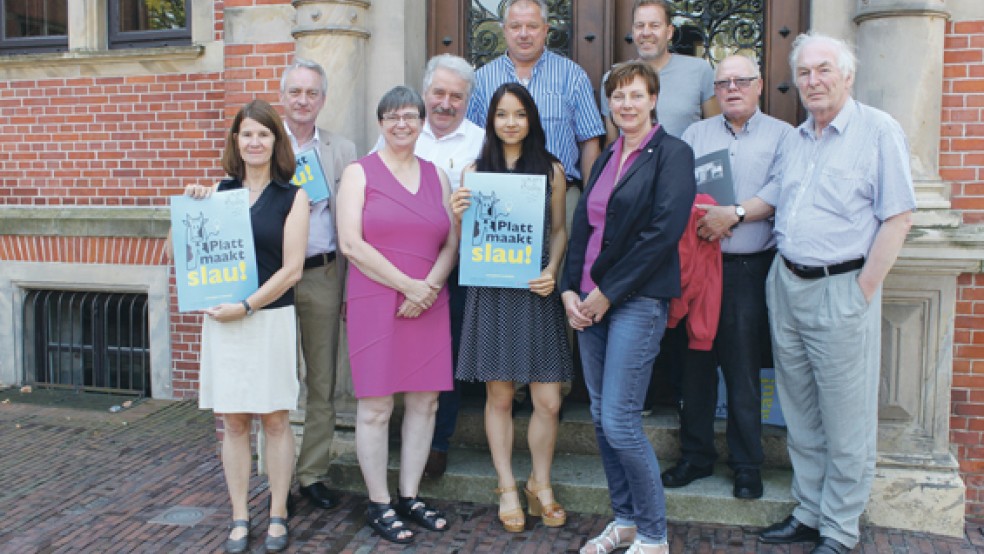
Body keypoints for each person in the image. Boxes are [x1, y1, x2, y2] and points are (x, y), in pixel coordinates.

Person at [756, 33, 915, 554]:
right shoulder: (799, 137)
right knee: (799, 411)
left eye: (824, 69)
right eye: (804, 72)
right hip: (788, 285)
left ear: (848, 75)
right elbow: (779, 198)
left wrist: (862, 289)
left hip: (841, 289)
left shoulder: (877, 131)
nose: (813, 81)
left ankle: (839, 529)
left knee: (846, 421)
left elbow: (899, 217)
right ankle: (808, 511)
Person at [562, 61, 695, 554]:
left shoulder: (673, 155)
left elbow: (662, 235)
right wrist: (570, 290)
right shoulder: (605, 157)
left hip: (635, 301)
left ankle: (655, 535)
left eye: (636, 95)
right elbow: (584, 228)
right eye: (617, 97)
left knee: (620, 420)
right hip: (589, 303)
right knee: (600, 417)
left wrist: (606, 293)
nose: (626, 105)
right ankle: (625, 521)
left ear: (653, 98)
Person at [660, 55, 792, 499]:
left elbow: (780, 190)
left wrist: (732, 214)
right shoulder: (695, 135)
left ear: (759, 85)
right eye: (723, 83)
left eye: (741, 81)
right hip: (698, 268)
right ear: (714, 90)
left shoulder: (783, 136)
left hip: (746, 270)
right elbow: (676, 187)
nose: (731, 88)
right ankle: (695, 457)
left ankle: (746, 465)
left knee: (741, 370)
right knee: (694, 367)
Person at [184, 100, 309, 553]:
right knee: (233, 422)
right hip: (224, 321)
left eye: (264, 134)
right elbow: (183, 251)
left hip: (269, 318)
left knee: (275, 419)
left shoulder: (293, 196)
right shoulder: (218, 193)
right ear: (235, 141)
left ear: (276, 141)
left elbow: (292, 270)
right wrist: (192, 207)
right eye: (247, 134)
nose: (255, 142)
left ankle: (277, 511)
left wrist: (248, 306)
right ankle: (239, 514)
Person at [336, 86, 457, 545]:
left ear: (423, 121)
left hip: (429, 298)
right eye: (391, 117)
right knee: (376, 405)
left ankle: (410, 495)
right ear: (380, 123)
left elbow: (451, 240)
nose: (401, 124)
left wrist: (429, 287)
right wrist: (409, 286)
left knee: (425, 401)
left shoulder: (437, 176)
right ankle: (379, 502)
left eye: (410, 115)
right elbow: (351, 243)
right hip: (376, 299)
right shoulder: (359, 173)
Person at [450, 82, 572, 533]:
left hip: (536, 290)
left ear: (532, 119)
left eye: (519, 114)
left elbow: (559, 230)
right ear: (492, 121)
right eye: (502, 114)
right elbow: (467, 245)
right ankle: (506, 485)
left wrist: (554, 269)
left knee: (548, 400)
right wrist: (458, 214)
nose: (511, 122)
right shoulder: (473, 171)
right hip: (494, 290)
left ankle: (540, 483)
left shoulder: (552, 171)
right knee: (499, 396)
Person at [372, 54, 485, 478]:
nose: (445, 102)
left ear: (467, 99)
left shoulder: (482, 142)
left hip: (459, 266)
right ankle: (389, 432)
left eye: (456, 96)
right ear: (424, 93)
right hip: (396, 267)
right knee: (393, 350)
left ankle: (437, 440)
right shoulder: (401, 134)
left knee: (445, 353)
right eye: (438, 92)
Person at [279, 58, 357, 511]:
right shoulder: (265, 145)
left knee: (322, 381)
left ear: (323, 99)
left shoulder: (342, 149)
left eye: (311, 93)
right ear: (283, 97)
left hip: (324, 274)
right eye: (295, 92)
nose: (303, 100)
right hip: (274, 279)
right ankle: (278, 478)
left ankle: (312, 473)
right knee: (276, 382)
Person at [466, 0, 605, 192]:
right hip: (498, 193)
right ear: (505, 30)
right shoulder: (480, 80)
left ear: (545, 29)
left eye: (532, 26)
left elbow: (590, 141)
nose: (524, 34)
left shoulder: (572, 75)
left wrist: (591, 202)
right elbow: (470, 141)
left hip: (560, 191)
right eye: (515, 26)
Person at [600, 0, 719, 141]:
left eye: (654, 25)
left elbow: (715, 133)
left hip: (686, 162)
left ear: (669, 32)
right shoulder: (614, 78)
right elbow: (612, 143)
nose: (646, 32)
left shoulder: (700, 71)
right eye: (640, 26)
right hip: (634, 163)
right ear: (633, 32)